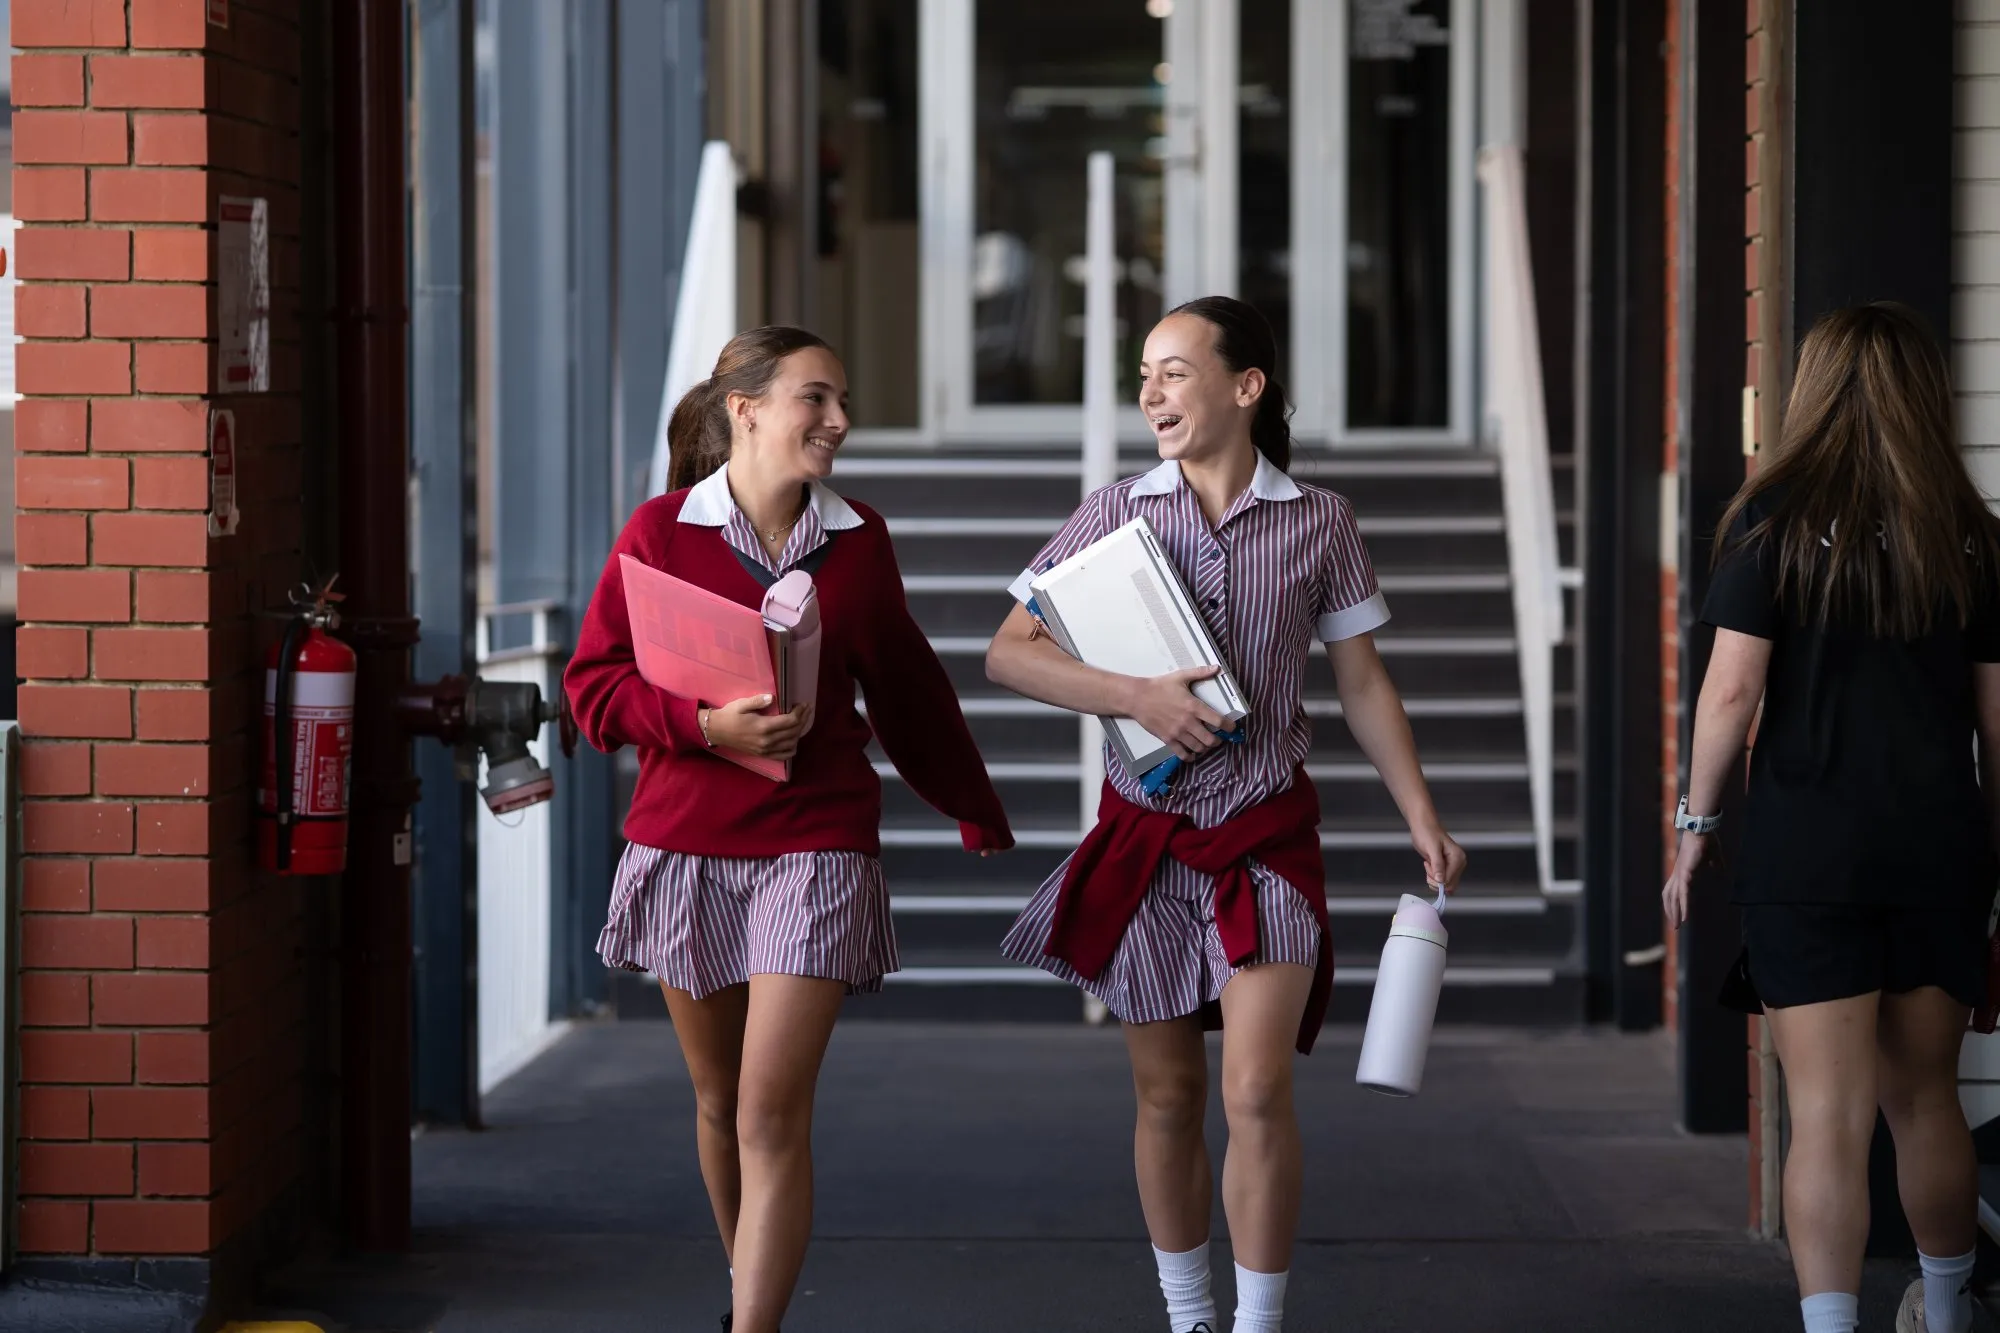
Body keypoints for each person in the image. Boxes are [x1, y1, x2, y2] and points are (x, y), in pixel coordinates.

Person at [985, 296, 1468, 1333]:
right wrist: (1134, 695)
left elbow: (1364, 682)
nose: (1149, 393)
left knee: (1252, 1090)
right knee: (1167, 1097)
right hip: (1145, 841)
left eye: (1172, 371)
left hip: (1265, 838)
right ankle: (1187, 1312)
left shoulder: (1318, 520)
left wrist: (1420, 813)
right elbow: (1008, 650)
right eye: (1144, 373)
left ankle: (1257, 1323)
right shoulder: (1112, 511)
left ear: (1244, 386)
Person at [565, 326, 1014, 1333]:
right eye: (817, 398)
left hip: (816, 840)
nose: (839, 421)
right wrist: (700, 726)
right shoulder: (657, 532)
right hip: (684, 842)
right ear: (747, 407)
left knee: (770, 1111)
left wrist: (969, 801)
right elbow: (592, 690)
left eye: (841, 400)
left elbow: (905, 684)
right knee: (720, 1103)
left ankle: (750, 1327)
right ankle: (747, 1296)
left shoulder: (859, 543)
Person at [1663, 302, 2000, 1333]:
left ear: (1811, 399)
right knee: (1925, 1101)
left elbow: (1726, 698)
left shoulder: (1769, 536)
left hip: (1806, 855)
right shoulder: (1970, 544)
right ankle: (1943, 1314)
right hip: (1939, 851)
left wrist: (1694, 828)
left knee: (1826, 1118)